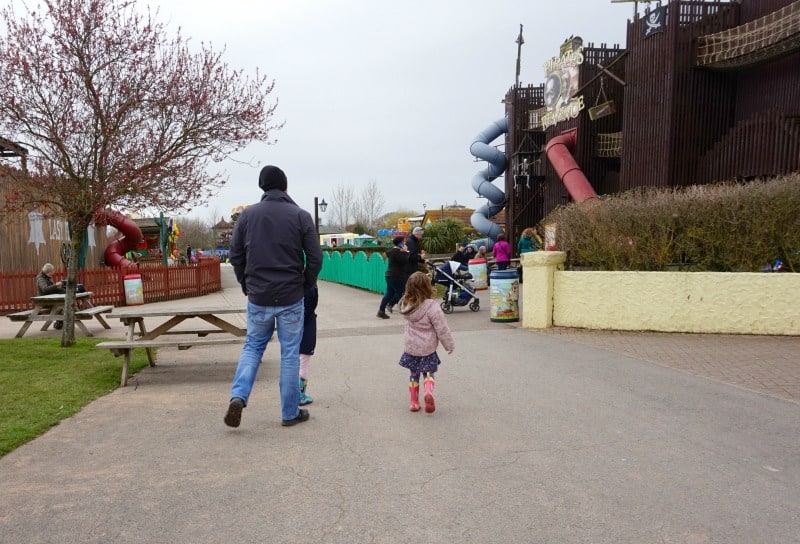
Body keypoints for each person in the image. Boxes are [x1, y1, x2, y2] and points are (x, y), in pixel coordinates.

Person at [224, 165, 323, 429]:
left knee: (253, 347)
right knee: (290, 353)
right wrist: (305, 284)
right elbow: (315, 257)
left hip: (259, 296)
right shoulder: (300, 216)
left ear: (262, 187)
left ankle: (238, 396)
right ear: (285, 187)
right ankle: (289, 413)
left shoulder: (246, 217)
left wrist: (247, 283)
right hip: (291, 295)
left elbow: (235, 256)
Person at [398, 271, 455, 413]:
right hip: (427, 348)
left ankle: (413, 402)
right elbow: (442, 328)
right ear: (427, 286)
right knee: (428, 373)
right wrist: (449, 345)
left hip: (412, 347)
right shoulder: (432, 307)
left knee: (414, 374)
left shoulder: (407, 305)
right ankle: (428, 392)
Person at [377, 235, 410, 319]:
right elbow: (404, 261)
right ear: (400, 243)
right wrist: (406, 252)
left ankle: (381, 311)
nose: (405, 244)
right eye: (404, 242)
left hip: (390, 275)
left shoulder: (393, 251)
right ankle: (391, 305)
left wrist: (403, 251)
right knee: (402, 292)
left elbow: (388, 253)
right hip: (397, 276)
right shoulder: (396, 252)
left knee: (390, 293)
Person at [299, 284, 318, 406]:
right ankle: (300, 395)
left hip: (291, 327)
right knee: (303, 363)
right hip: (306, 328)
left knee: (293, 361)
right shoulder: (310, 286)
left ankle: (293, 393)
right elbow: (309, 308)